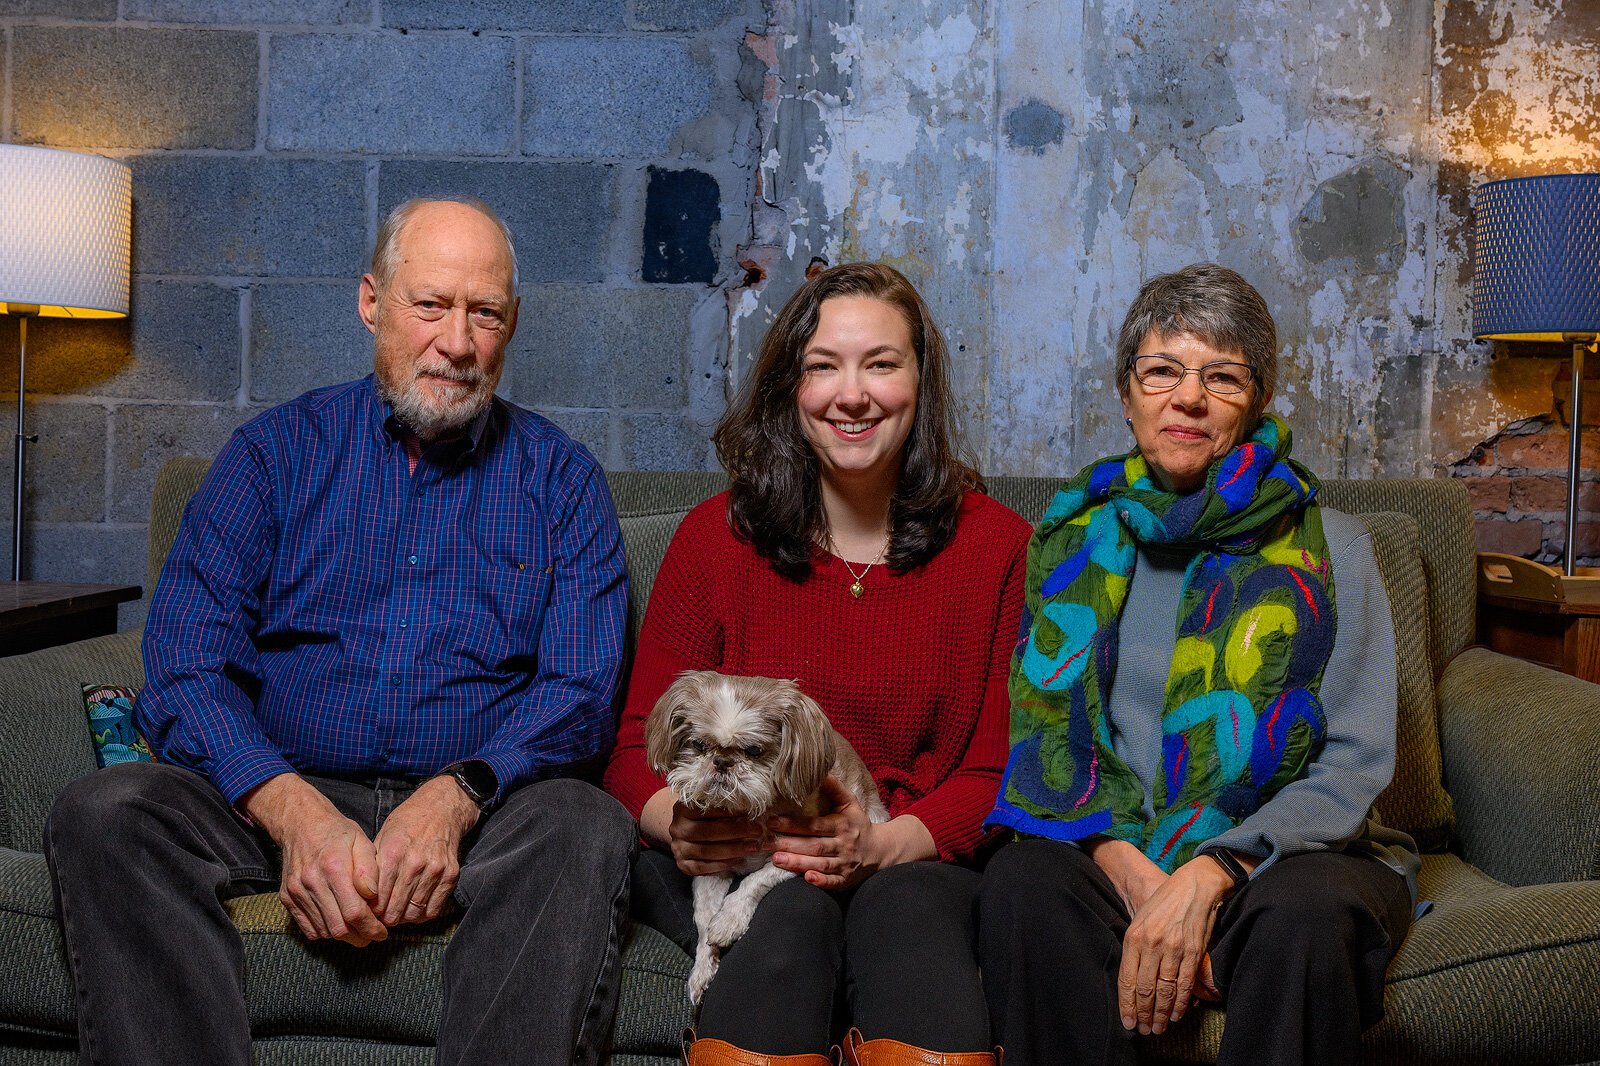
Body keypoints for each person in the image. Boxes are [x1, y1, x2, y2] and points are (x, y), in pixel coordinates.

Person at [43, 197, 635, 1066]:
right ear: (371, 302)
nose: (458, 342)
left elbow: (579, 695)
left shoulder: (564, 482)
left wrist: (457, 795)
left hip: (486, 807)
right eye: (430, 304)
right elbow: (186, 664)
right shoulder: (273, 456)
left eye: (485, 313)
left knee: (585, 825)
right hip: (275, 789)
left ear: (512, 325)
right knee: (105, 812)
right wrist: (289, 808)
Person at [980, 263, 1419, 1066]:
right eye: (1162, 372)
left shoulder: (1334, 548)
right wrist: (1139, 878)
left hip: (1288, 858)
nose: (1188, 398)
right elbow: (1052, 748)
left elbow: (1353, 765)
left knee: (1304, 919)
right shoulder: (1072, 546)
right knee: (1021, 889)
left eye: (1222, 376)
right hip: (1116, 850)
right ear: (1127, 396)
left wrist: (1211, 873)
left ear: (1255, 403)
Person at [604, 262, 1029, 1065]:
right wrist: (685, 829)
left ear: (921, 382)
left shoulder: (999, 548)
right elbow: (632, 749)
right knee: (786, 919)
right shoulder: (714, 539)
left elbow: (997, 771)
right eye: (823, 366)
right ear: (789, 390)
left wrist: (878, 845)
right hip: (739, 851)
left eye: (881, 363)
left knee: (911, 928)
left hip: (911, 853)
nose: (852, 394)